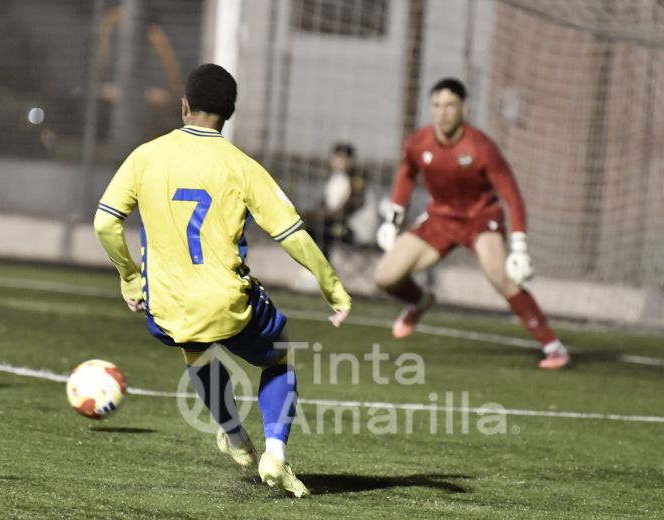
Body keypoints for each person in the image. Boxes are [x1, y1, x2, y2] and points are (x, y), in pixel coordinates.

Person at [94, 63, 352, 498]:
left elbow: (105, 224)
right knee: (279, 354)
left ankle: (234, 435)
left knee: (195, 350)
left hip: (167, 305)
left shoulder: (146, 155)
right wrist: (334, 289)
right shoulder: (242, 166)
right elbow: (292, 235)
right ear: (229, 113)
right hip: (228, 301)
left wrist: (130, 279)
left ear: (183, 106)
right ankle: (275, 451)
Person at [374, 78, 570, 370]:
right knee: (386, 276)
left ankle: (553, 346)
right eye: (437, 105)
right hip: (440, 218)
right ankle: (421, 301)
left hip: (480, 218)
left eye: (450, 105)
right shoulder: (419, 142)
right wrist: (394, 217)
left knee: (501, 277)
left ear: (464, 108)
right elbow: (406, 175)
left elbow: (511, 196)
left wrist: (519, 247)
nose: (442, 112)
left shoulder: (480, 147)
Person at [305, 142, 376, 258]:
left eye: (345, 158)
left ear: (352, 160)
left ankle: (322, 269)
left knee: (321, 229)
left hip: (356, 230)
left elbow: (345, 211)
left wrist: (315, 216)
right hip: (340, 225)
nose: (340, 161)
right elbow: (324, 207)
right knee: (310, 228)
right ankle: (315, 267)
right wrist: (309, 216)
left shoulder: (358, 179)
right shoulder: (336, 179)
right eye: (337, 157)